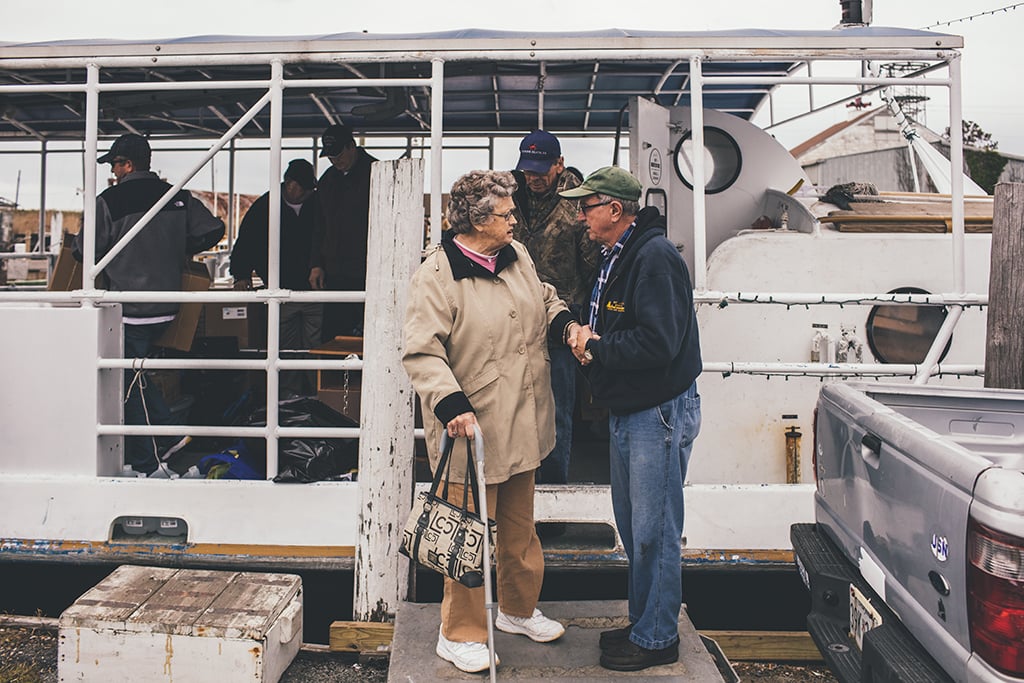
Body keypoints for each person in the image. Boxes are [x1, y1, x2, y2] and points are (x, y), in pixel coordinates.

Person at [402, 170, 581, 674]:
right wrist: (450, 404)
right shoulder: (437, 274)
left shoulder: (517, 256)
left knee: (520, 530)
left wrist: (564, 323)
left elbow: (545, 297)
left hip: (524, 420)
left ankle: (517, 611)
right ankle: (457, 634)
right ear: (477, 220)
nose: (514, 219)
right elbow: (421, 351)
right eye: (505, 214)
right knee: (468, 534)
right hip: (472, 428)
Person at [559, 166, 702, 672]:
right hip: (632, 411)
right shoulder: (617, 255)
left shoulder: (655, 259)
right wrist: (579, 327)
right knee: (636, 526)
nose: (580, 217)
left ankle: (658, 637)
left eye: (587, 206)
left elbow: (659, 343)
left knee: (655, 530)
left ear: (615, 210)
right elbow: (613, 317)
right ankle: (645, 622)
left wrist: (596, 346)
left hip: (656, 413)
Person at [76, 133, 225, 474]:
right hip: (168, 306)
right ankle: (155, 445)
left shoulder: (109, 201)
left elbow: (84, 252)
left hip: (128, 310)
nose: (113, 173)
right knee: (133, 374)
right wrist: (177, 248)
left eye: (115, 165)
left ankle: (153, 448)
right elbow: (213, 230)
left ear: (127, 164)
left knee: (124, 381)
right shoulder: (177, 197)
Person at [511, 130, 601, 491]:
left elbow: (593, 266)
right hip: (514, 316)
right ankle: (517, 498)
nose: (533, 178)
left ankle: (554, 496)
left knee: (556, 412)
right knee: (514, 409)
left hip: (562, 319)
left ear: (559, 164)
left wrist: (583, 322)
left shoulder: (577, 203)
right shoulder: (511, 196)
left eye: (541, 170)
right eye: (527, 170)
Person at [230, 158, 320, 394]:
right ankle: (290, 398)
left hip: (316, 292)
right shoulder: (264, 207)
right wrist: (241, 275)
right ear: (289, 184)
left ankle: (317, 397)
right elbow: (246, 242)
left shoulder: (316, 204)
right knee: (284, 350)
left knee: (317, 349)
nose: (309, 193)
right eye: (305, 188)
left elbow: (329, 239)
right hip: (281, 290)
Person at [309, 123, 376, 339]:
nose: (334, 160)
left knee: (370, 334)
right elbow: (318, 225)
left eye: (338, 154)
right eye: (330, 156)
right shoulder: (328, 180)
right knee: (333, 337)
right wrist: (316, 264)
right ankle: (335, 374)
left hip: (370, 272)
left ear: (351, 147)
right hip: (335, 272)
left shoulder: (378, 173)